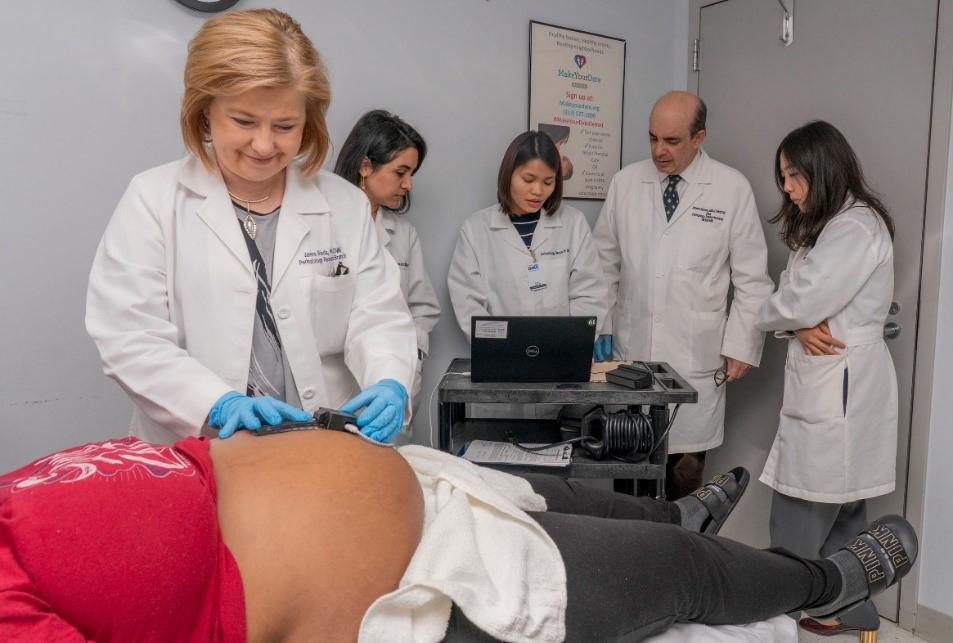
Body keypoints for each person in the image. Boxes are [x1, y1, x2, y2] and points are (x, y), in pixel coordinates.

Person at [0, 425, 917, 642]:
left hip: (413, 480)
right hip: (422, 582)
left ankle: (681, 505)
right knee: (675, 572)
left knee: (572, 491)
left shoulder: (14, 497)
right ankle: (819, 583)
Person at [85, 10, 416, 446]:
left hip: (324, 447)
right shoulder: (154, 199)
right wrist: (215, 403)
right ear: (205, 113)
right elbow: (129, 336)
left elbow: (378, 316)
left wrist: (390, 380)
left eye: (285, 126)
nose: (264, 144)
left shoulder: (344, 205)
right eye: (244, 121)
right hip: (199, 449)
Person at [592, 91, 773, 498]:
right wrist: (599, 326)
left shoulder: (731, 188)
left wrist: (742, 345)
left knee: (685, 478)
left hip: (697, 357)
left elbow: (753, 279)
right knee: (628, 469)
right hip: (630, 352)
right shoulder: (626, 183)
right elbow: (601, 266)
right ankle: (633, 558)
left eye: (671, 141)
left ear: (699, 137)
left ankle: (680, 556)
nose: (659, 150)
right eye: (652, 138)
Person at [756, 120, 898, 638]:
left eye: (793, 176)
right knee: (843, 511)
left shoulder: (854, 228)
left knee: (800, 515)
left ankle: (778, 618)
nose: (788, 189)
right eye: (783, 177)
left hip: (840, 382)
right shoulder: (831, 224)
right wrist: (794, 321)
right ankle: (848, 610)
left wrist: (779, 315)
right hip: (834, 381)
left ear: (823, 168)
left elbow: (799, 298)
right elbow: (798, 297)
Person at [447, 130, 607, 340]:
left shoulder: (573, 224)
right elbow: (468, 303)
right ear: (508, 174)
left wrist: (571, 343)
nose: (538, 191)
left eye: (548, 182)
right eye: (528, 179)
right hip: (503, 358)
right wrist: (505, 349)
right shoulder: (476, 230)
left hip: (561, 354)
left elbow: (590, 294)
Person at [333, 110, 440, 423]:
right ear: (366, 166)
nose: (408, 184)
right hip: (337, 383)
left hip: (394, 381)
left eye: (412, 174)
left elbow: (423, 307)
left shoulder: (403, 233)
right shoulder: (323, 224)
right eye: (400, 172)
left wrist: (412, 357)